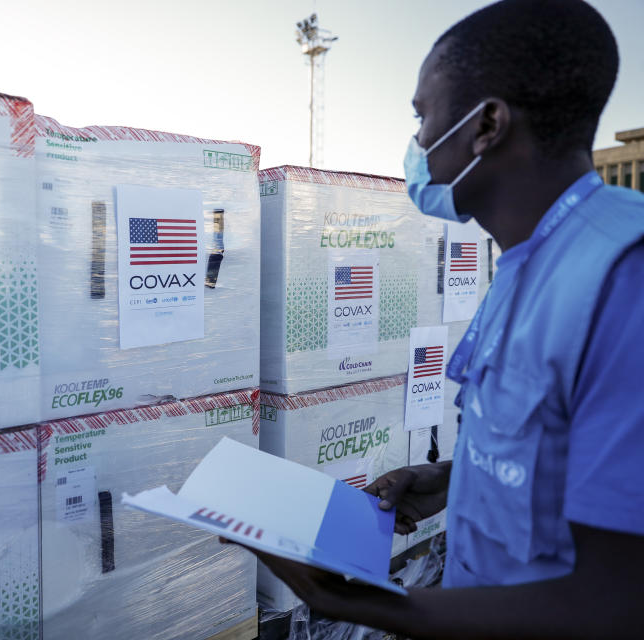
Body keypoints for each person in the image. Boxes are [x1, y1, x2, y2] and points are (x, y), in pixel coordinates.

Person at [234, 1, 644, 637]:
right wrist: (455, 479)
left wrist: (355, 602)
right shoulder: (526, 263)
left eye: (422, 116)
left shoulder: (623, 280)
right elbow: (562, 450)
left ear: (487, 125)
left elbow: (617, 603)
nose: (418, 144)